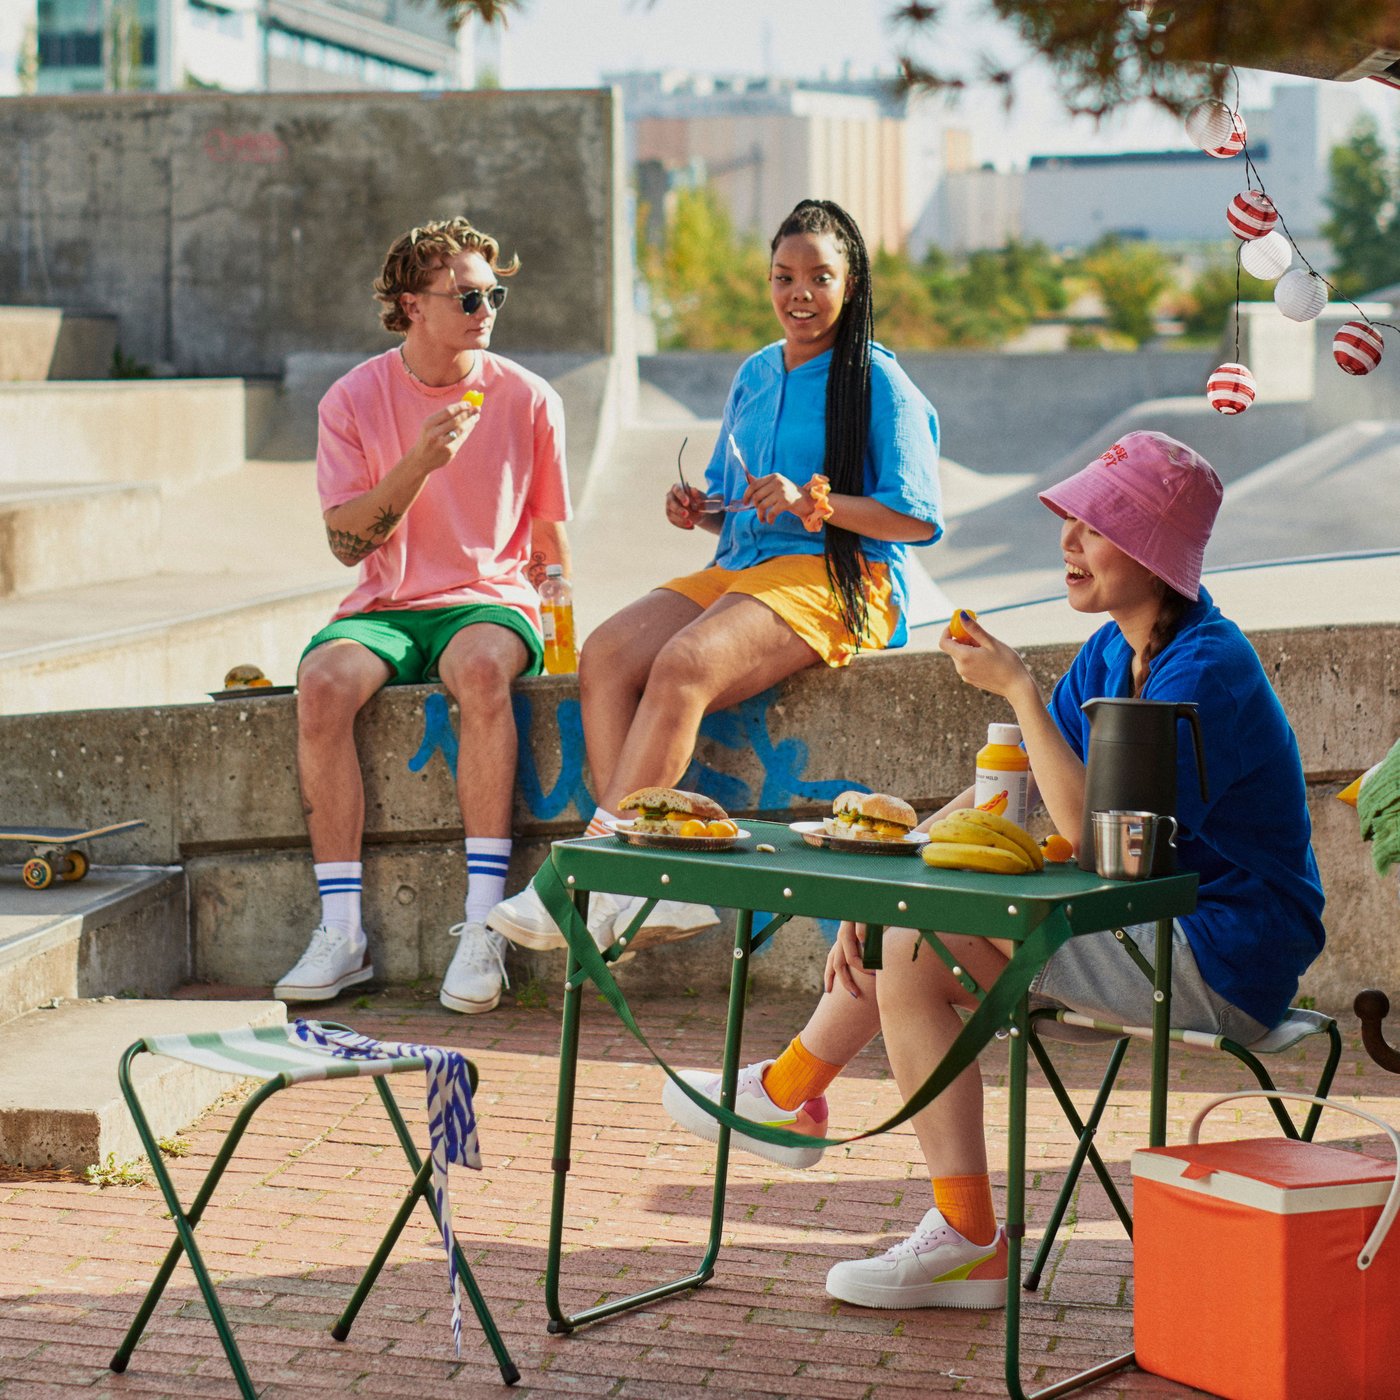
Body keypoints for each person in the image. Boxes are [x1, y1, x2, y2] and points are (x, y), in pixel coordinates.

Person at [663, 430, 1326, 1311]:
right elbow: (1004, 794)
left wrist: (1017, 687)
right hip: (1148, 935)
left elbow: (1098, 840)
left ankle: (893, 1179)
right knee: (904, 934)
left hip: (1223, 960)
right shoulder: (1113, 651)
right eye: (1074, 522)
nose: (1068, 543)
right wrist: (888, 871)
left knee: (910, 948)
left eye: (1094, 527)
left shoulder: (1207, 669)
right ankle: (810, 1113)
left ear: (1150, 553)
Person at [489, 198, 943, 953]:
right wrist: (699, 509)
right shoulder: (756, 373)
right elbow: (733, 505)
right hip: (742, 566)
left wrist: (817, 504)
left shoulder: (880, 383)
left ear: (853, 284)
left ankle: (588, 873)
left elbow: (916, 519)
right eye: (783, 276)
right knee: (605, 653)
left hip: (843, 578)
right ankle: (657, 886)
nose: (799, 293)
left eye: (819, 277)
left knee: (686, 663)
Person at [273, 217, 572, 1016]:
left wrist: (561, 620)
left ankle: (484, 928)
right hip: (386, 604)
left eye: (494, 293)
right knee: (323, 681)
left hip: (487, 600)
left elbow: (549, 543)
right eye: (468, 295)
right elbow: (346, 544)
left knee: (479, 670)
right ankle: (342, 932)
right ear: (412, 305)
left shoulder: (531, 398)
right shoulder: (354, 399)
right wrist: (418, 463)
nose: (487, 308)